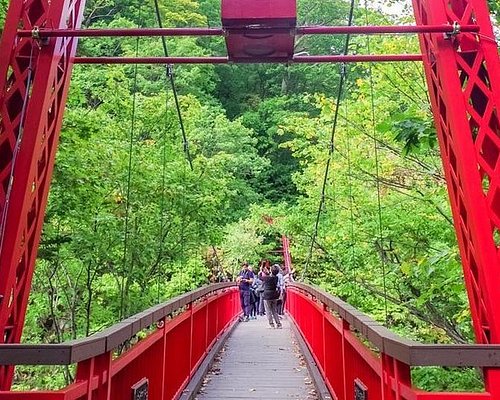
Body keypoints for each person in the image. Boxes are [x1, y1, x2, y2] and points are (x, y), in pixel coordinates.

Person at [262, 264, 282, 328]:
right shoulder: (276, 278)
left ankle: (271, 324)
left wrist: (263, 270)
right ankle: (278, 324)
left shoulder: (266, 278)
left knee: (268, 311)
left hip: (267, 295)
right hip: (274, 295)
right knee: (274, 311)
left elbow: (261, 277)